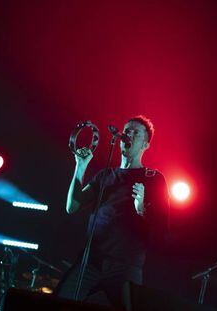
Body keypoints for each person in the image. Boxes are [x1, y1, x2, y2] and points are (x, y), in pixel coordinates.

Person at [55, 115, 170, 308]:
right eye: (127, 131)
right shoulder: (105, 175)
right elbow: (72, 206)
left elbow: (162, 228)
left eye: (136, 132)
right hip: (91, 261)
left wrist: (141, 208)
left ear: (146, 144)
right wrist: (80, 167)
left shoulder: (153, 178)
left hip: (125, 267)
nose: (128, 135)